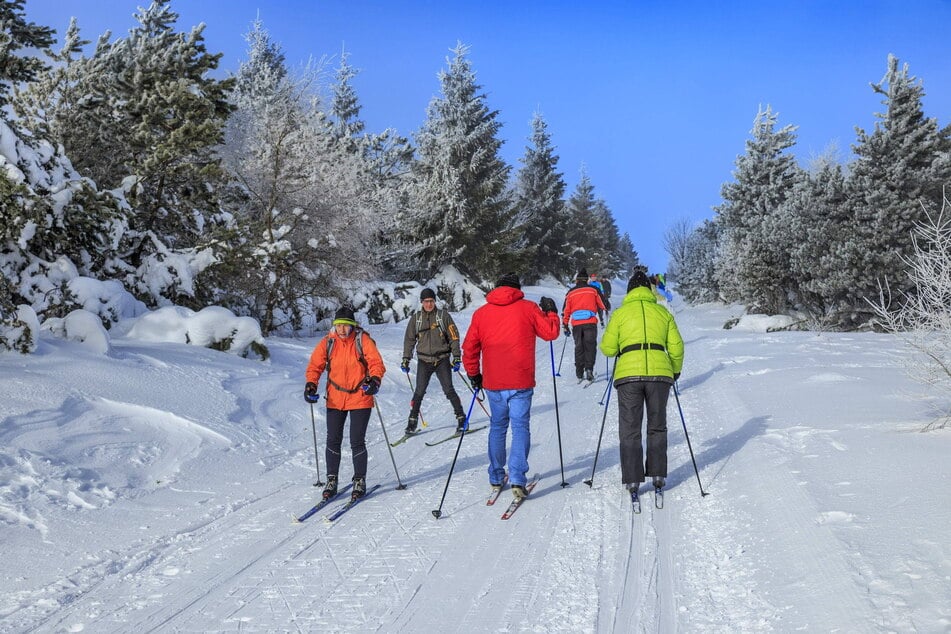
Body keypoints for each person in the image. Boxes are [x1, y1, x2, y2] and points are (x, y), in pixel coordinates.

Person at [462, 273, 560, 499]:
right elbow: (551, 333)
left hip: (494, 382)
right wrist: (551, 312)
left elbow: (470, 348)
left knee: (497, 427)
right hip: (520, 381)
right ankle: (516, 478)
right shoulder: (528, 308)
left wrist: (474, 374)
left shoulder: (481, 313)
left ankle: (496, 476)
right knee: (520, 427)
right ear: (518, 288)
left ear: (497, 288)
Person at [599, 271, 684, 495]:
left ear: (629, 290)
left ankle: (632, 480)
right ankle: (657, 474)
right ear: (648, 289)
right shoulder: (662, 312)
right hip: (659, 375)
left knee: (630, 428)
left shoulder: (620, 314)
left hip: (628, 376)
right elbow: (677, 347)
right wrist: (674, 371)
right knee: (657, 425)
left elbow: (607, 348)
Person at [304, 306, 386, 501]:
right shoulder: (328, 342)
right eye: (339, 325)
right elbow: (315, 365)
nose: (342, 329)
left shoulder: (362, 340)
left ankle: (359, 480)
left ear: (352, 326)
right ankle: (331, 480)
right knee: (333, 439)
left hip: (360, 396)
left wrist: (374, 380)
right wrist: (310, 385)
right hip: (335, 397)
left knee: (357, 440)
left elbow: (376, 363)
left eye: (346, 326)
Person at [401, 287, 466, 434]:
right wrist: (406, 358)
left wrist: (456, 357)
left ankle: (461, 418)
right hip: (424, 360)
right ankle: (412, 422)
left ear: (434, 301)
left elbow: (454, 337)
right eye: (426, 301)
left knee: (449, 390)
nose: (429, 304)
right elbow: (409, 340)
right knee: (419, 392)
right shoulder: (416, 319)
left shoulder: (443, 316)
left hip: (442, 359)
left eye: (431, 301)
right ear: (421, 302)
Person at [562, 268, 607, 381]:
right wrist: (605, 309)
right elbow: (603, 305)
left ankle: (579, 372)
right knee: (590, 346)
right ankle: (589, 369)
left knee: (579, 346)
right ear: (587, 280)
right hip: (590, 323)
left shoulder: (570, 293)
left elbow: (566, 310)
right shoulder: (593, 290)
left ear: (577, 280)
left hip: (576, 325)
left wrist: (565, 325)